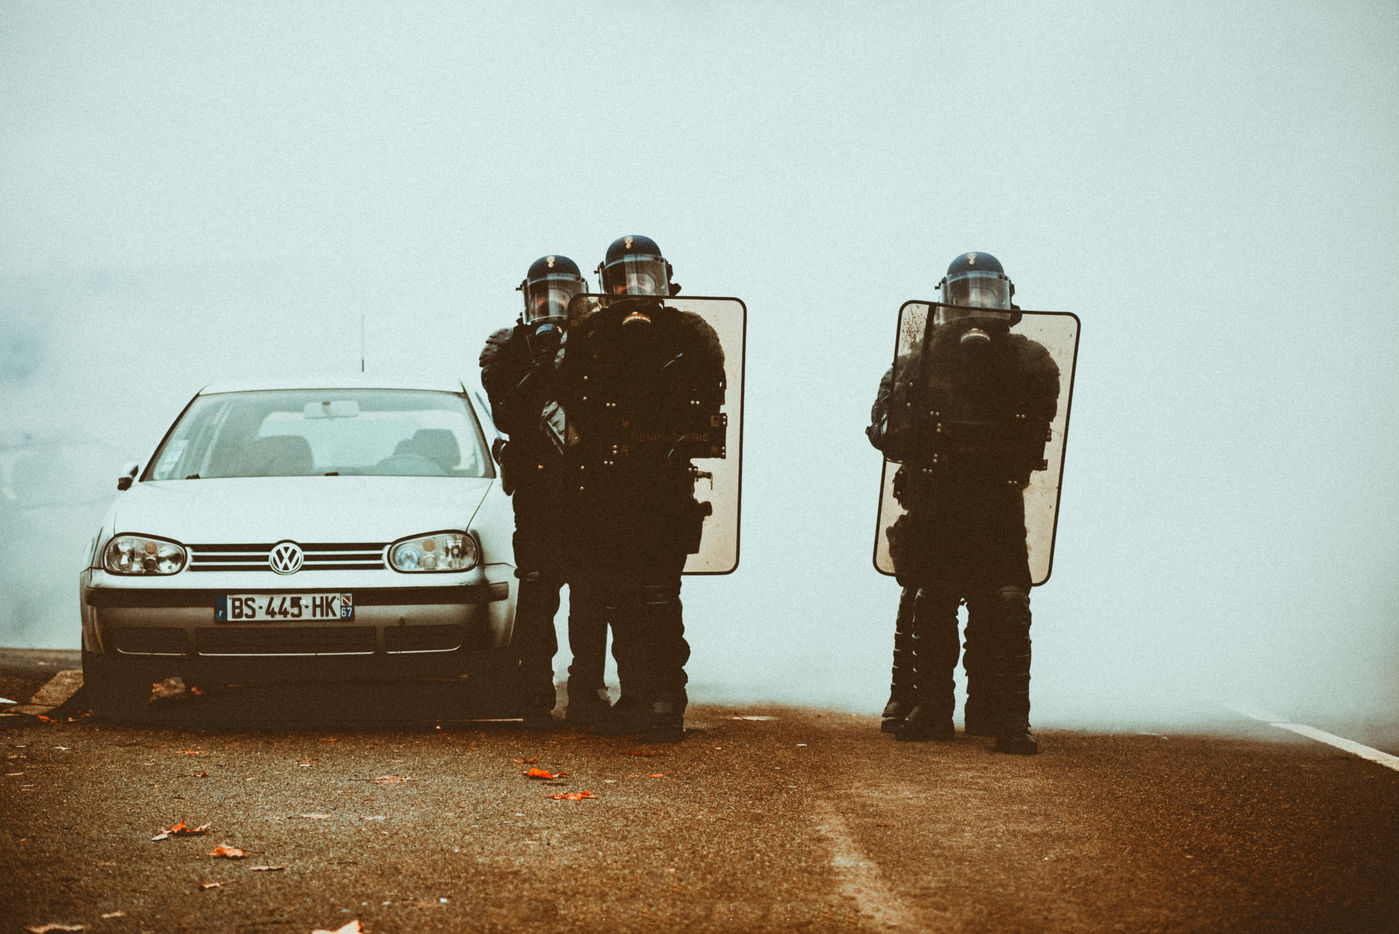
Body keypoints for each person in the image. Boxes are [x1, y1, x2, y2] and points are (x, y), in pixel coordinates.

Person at [867, 252, 1059, 754]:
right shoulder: (919, 361)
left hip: (996, 504)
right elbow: (884, 428)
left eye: (987, 293)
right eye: (965, 294)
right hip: (938, 501)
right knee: (931, 599)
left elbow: (1039, 426)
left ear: (1006, 299)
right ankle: (931, 708)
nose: (976, 305)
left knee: (1006, 604)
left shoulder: (1029, 363)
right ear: (947, 301)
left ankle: (1004, 714)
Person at [550, 235, 726, 742]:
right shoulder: (589, 334)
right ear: (605, 284)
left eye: (644, 275)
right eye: (622, 279)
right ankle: (635, 698)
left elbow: (709, 400)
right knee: (618, 595)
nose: (634, 287)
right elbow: (566, 400)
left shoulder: (689, 333)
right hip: (605, 489)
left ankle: (666, 700)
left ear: (665, 278)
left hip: (662, 487)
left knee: (659, 596)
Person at [478, 254, 611, 728]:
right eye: (542, 296)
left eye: (563, 294)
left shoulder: (598, 343)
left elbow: (607, 407)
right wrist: (539, 367)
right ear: (527, 300)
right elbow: (506, 415)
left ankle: (587, 694)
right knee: (537, 596)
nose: (552, 304)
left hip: (590, 494)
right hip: (537, 496)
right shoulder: (508, 348)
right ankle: (534, 693)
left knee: (591, 598)